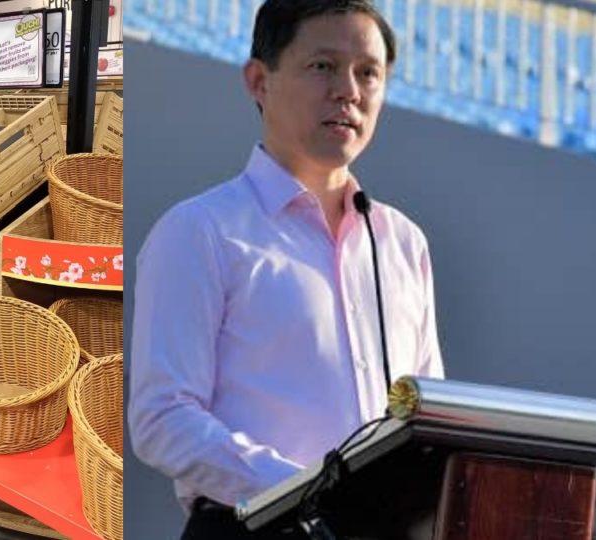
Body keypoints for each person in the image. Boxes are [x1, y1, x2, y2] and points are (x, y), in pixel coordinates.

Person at [127, 1, 446, 538]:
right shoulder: (200, 231)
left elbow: (430, 417)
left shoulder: (401, 242)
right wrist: (309, 491)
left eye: (368, 73)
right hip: (254, 526)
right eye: (323, 66)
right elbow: (162, 418)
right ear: (259, 81)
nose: (348, 90)